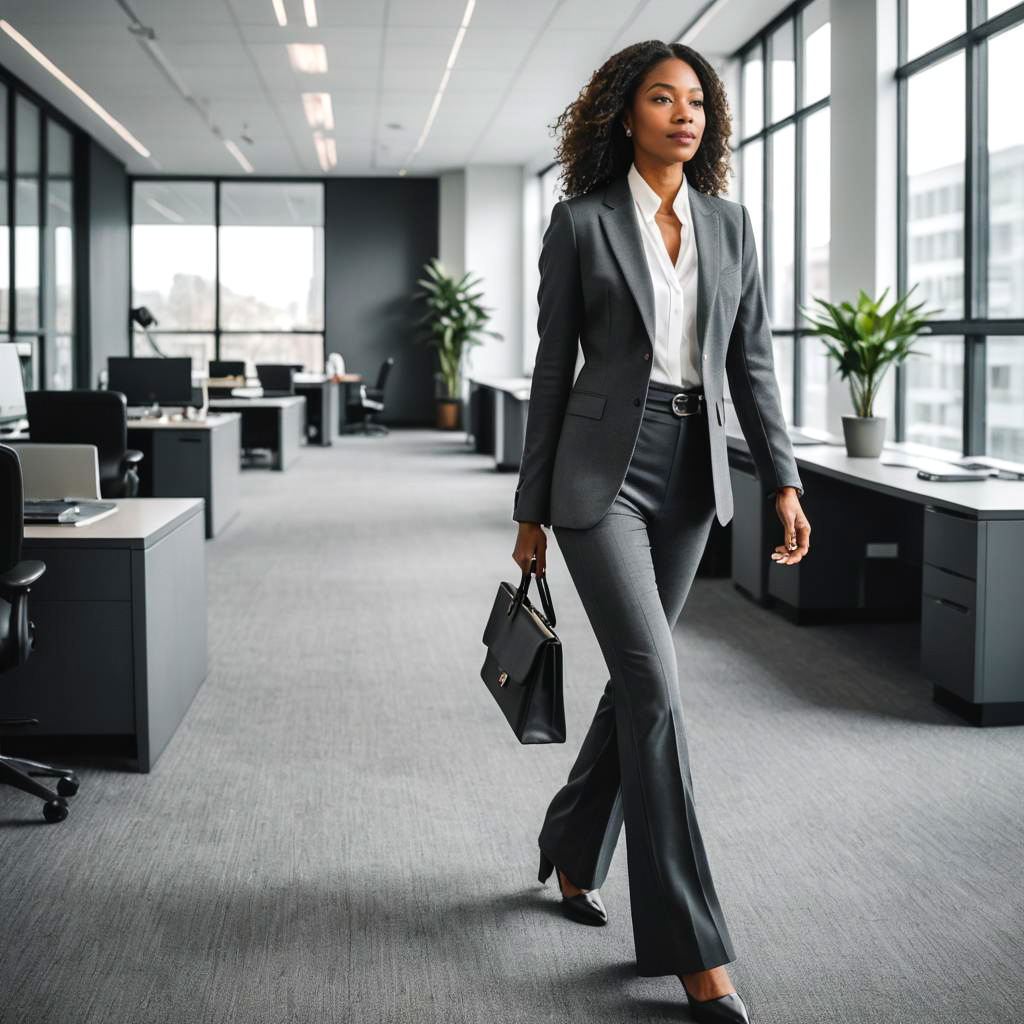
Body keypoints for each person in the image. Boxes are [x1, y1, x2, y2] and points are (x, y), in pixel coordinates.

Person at [510, 39, 812, 1024]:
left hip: (691, 478)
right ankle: (692, 949)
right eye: (661, 98)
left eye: (695, 101)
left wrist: (783, 480)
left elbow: (753, 358)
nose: (684, 113)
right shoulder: (581, 224)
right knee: (659, 688)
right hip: (600, 481)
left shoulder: (730, 225)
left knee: (640, 683)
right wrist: (528, 513)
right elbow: (553, 370)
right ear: (624, 113)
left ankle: (567, 839)